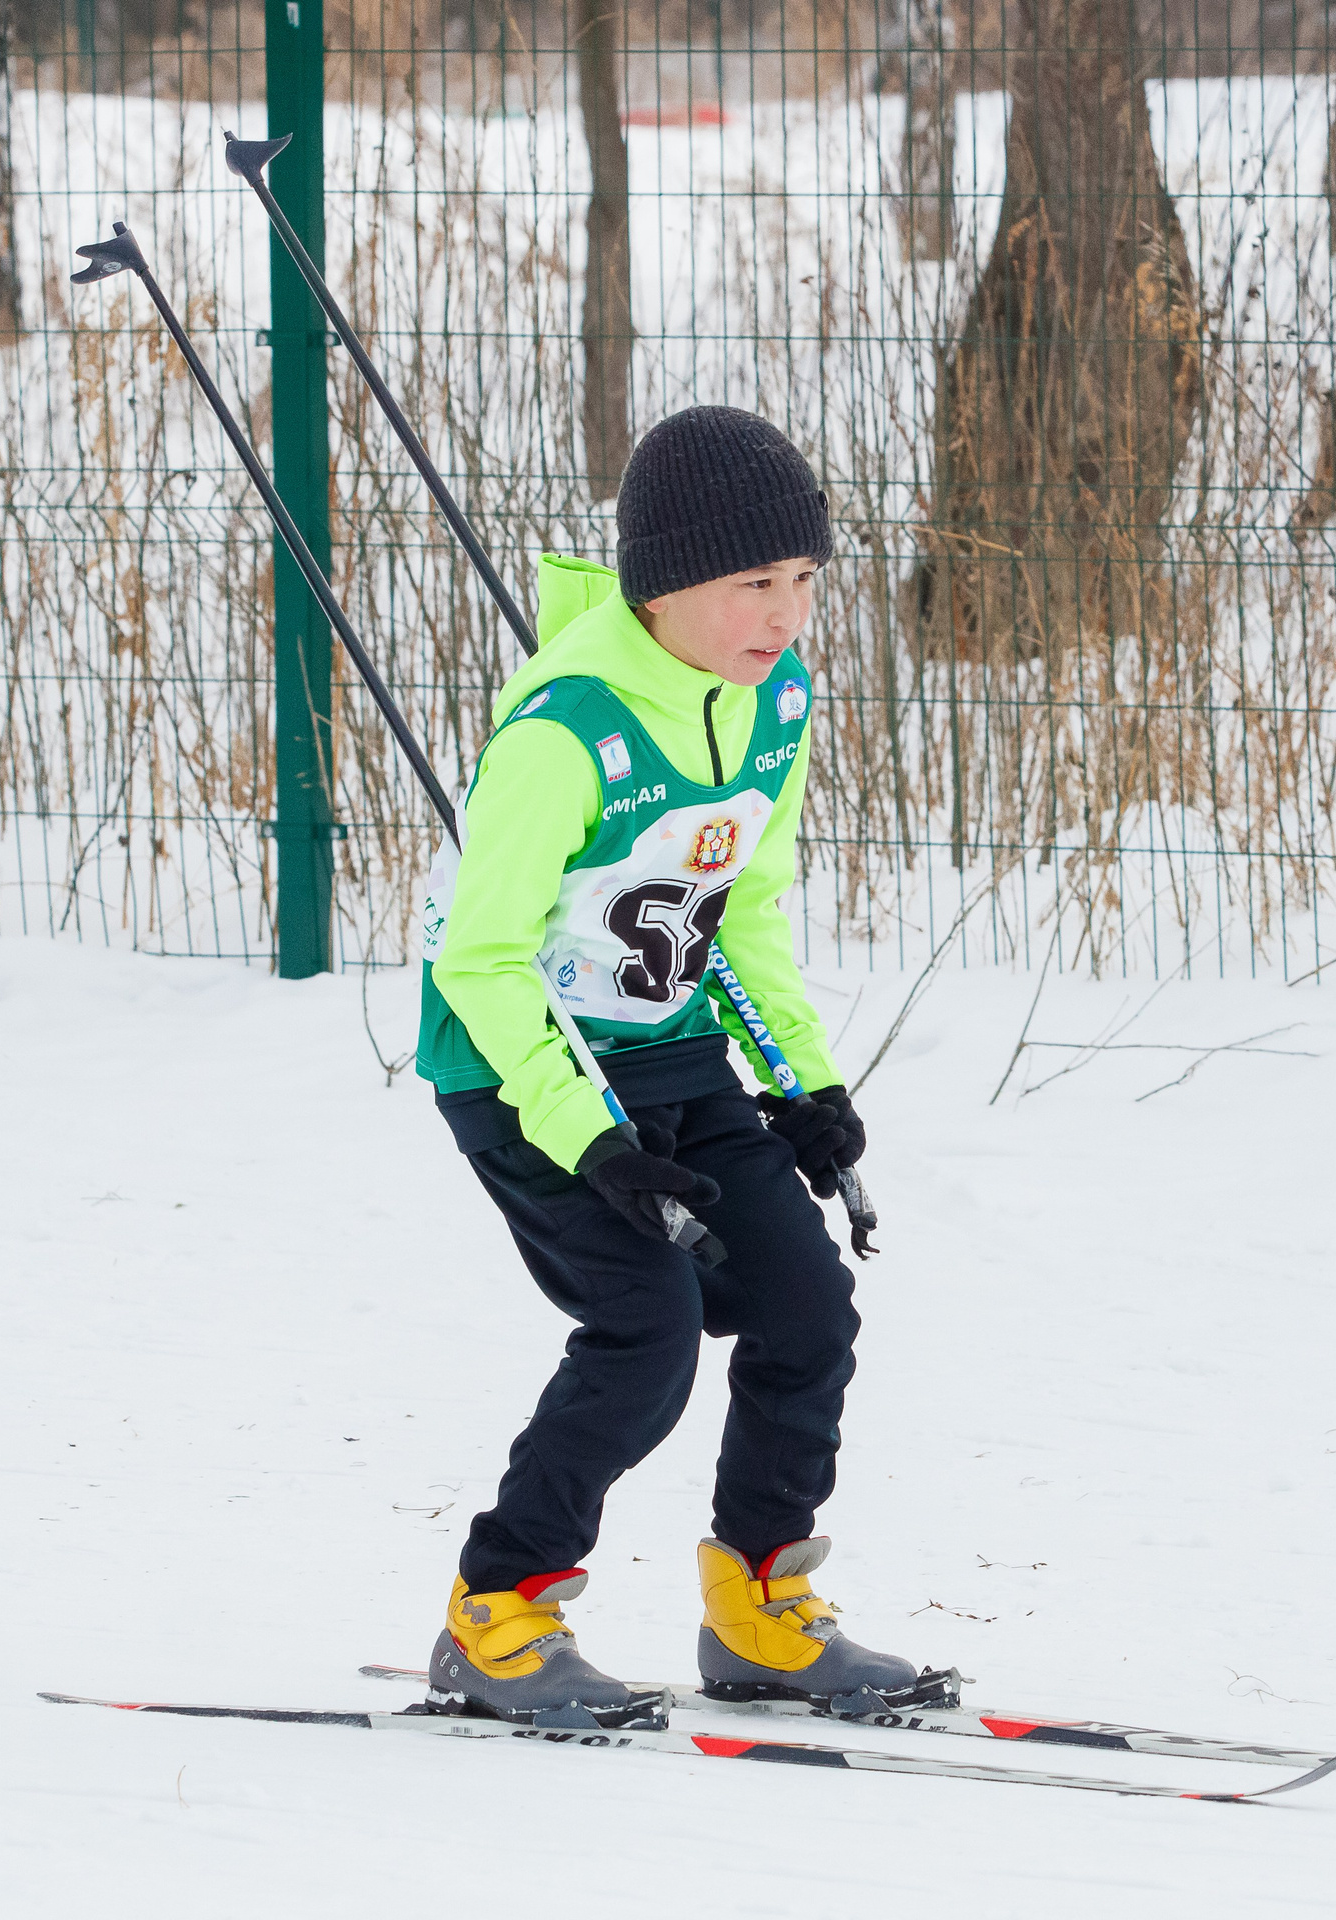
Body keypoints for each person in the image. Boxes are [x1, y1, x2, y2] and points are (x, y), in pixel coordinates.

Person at [414, 407, 949, 1729]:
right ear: (662, 585)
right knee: (646, 1330)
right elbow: (482, 960)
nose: (788, 614)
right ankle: (498, 1611)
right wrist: (586, 1136)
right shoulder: (563, 734)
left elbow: (743, 901)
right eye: (754, 582)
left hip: (673, 1049)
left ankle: (759, 1606)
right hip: (522, 1071)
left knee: (807, 1306)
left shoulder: (776, 699)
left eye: (806, 578)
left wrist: (806, 1084)